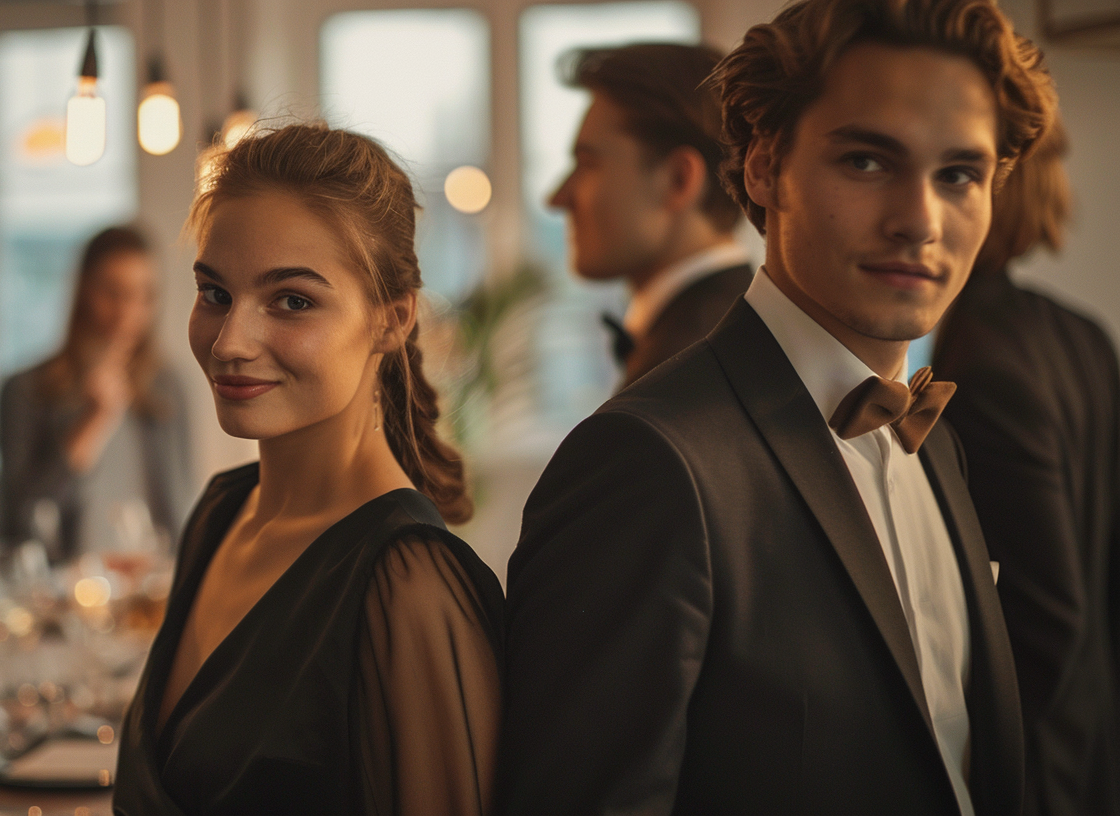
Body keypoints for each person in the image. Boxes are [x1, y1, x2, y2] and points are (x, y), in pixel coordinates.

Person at [499, 0, 1056, 813]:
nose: (920, 221)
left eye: (959, 175)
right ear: (763, 167)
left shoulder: (935, 443)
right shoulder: (647, 461)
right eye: (867, 161)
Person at [112, 124, 504, 816]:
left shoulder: (405, 582)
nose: (230, 342)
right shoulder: (222, 510)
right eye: (216, 294)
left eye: (291, 300)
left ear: (393, 320)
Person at [933, 122, 1120, 815]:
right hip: (1093, 736)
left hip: (1037, 770)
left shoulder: (979, 362)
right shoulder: (1082, 333)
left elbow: (1038, 619)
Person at [549, 42, 751, 387]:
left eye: (588, 164)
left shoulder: (683, 373)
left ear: (678, 180)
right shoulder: (737, 333)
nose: (557, 198)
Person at [0, 226, 193, 560]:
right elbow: (22, 518)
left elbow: (182, 502)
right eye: (113, 292)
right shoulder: (26, 390)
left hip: (150, 589)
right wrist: (94, 420)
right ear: (84, 290)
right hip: (63, 593)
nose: (126, 311)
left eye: (143, 295)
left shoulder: (167, 386)